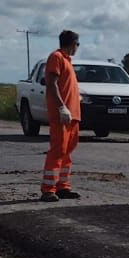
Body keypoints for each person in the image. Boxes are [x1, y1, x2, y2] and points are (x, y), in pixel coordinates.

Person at [40, 30, 83, 202]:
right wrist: (61, 107)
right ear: (73, 43)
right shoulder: (56, 57)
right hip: (62, 115)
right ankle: (48, 189)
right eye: (78, 44)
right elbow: (52, 84)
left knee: (67, 152)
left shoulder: (67, 61)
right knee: (58, 150)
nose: (78, 48)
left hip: (72, 115)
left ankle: (62, 187)